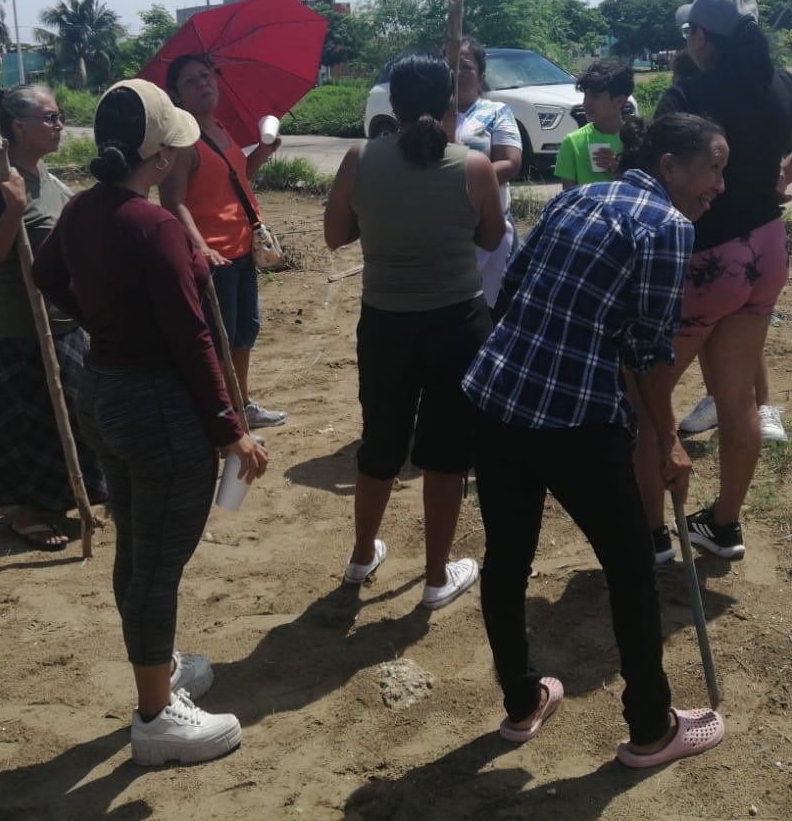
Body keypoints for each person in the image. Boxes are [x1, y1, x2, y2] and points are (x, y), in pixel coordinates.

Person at [463, 112, 730, 768]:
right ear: (669, 166)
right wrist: (667, 441)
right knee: (631, 568)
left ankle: (522, 702)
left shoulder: (579, 197)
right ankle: (651, 730)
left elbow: (513, 286)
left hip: (496, 394)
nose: (720, 186)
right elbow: (646, 351)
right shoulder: (668, 226)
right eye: (714, 168)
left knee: (507, 558)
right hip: (575, 418)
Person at [32, 79, 269, 766]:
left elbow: (47, 276)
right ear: (161, 157)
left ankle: (157, 666)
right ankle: (156, 715)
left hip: (103, 389)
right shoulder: (156, 226)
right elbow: (193, 340)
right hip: (159, 407)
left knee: (137, 548)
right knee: (158, 565)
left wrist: (103, 319)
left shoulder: (84, 208)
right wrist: (231, 428)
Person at [644, 0, 792, 564]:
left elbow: (663, 176)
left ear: (702, 38)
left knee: (646, 400)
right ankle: (725, 525)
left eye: (690, 31)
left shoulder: (688, 94)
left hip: (706, 259)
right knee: (738, 400)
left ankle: (650, 534)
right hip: (766, 250)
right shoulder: (782, 83)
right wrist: (784, 173)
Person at [323, 54, 506, 610]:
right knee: (447, 453)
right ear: (448, 102)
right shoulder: (474, 166)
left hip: (385, 323)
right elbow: (491, 240)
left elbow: (335, 235)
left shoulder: (360, 159)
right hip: (458, 323)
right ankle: (434, 578)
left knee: (381, 441)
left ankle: (361, 556)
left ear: (393, 104)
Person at [0, 84, 107, 551]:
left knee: (72, 415)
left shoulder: (46, 176)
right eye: (51, 118)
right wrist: (15, 211)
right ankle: (27, 514)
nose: (60, 125)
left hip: (63, 317)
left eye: (59, 117)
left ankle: (64, 498)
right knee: (29, 423)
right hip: (22, 325)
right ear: (19, 126)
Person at [159, 53, 288, 430]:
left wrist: (262, 152)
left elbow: (237, 178)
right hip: (216, 258)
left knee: (245, 331)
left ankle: (240, 405)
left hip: (243, 249)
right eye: (191, 81)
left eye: (206, 75)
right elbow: (172, 200)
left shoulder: (219, 127)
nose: (203, 84)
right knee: (219, 340)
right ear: (176, 95)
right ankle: (219, 417)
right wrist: (201, 246)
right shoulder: (181, 141)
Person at [453, 37, 523, 307]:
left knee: (496, 308)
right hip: (445, 231)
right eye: (450, 65)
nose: (457, 73)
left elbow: (510, 163)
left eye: (466, 67)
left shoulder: (496, 112)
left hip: (489, 226)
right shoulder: (430, 115)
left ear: (481, 76)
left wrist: (464, 183)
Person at [554, 58, 633, 190]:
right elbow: (568, 195)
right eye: (586, 95)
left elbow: (648, 191)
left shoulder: (638, 141)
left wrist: (618, 169)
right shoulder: (573, 142)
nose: (586, 103)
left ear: (619, 101)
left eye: (595, 96)